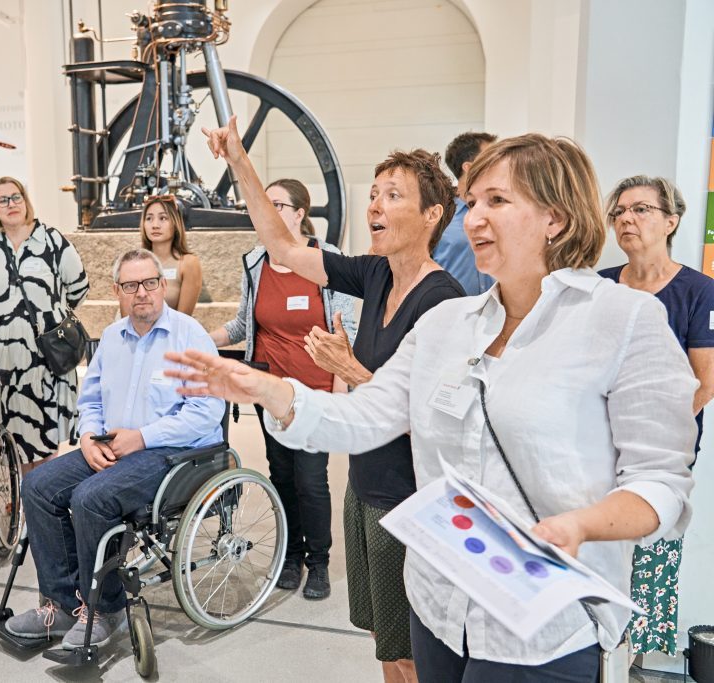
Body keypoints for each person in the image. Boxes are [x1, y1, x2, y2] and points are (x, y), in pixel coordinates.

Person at [168, 133, 696, 681]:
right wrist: (267, 389)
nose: (474, 220)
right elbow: (366, 415)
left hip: (545, 627)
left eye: (497, 201)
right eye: (473, 204)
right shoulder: (448, 324)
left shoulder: (624, 320)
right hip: (439, 603)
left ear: (555, 219)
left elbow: (660, 480)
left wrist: (580, 526)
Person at [203, 118, 462, 681]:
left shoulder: (444, 301)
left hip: (409, 496)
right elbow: (282, 247)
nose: (375, 205)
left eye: (394, 196)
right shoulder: (374, 273)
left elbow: (434, 422)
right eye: (374, 193)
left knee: (410, 651)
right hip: (365, 484)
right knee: (382, 640)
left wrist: (351, 371)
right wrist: (239, 162)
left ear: (432, 214)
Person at [4, 248, 224, 648]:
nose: (141, 292)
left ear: (163, 286)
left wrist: (142, 437)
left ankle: (106, 609)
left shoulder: (191, 336)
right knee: (37, 487)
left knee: (91, 497)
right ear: (117, 291)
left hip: (170, 453)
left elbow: (207, 414)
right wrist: (88, 438)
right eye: (130, 285)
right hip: (110, 446)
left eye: (150, 283)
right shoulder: (110, 337)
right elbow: (89, 402)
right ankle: (60, 604)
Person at [210, 176, 357, 601]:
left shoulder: (327, 260)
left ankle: (320, 563)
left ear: (299, 213)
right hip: (268, 393)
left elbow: (344, 330)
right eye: (263, 204)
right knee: (282, 476)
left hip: (314, 395)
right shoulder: (256, 262)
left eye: (277, 204)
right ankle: (291, 556)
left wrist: (338, 389)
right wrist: (199, 338)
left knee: (312, 480)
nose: (268, 211)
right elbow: (243, 324)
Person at [599, 175, 714, 658]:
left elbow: (704, 381)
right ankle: (597, 648)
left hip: (661, 453)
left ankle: (640, 658)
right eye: (619, 211)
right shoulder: (598, 286)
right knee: (600, 551)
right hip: (598, 446)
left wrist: (647, 431)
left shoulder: (698, 291)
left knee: (652, 555)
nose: (627, 218)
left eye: (641, 209)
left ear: (671, 221)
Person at [0, 176, 88, 468]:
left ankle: (38, 500)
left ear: (25, 200)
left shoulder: (52, 240)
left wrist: (49, 314)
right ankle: (15, 502)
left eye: (16, 197)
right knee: (9, 435)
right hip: (2, 363)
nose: (11, 205)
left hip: (45, 358)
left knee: (43, 432)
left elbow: (78, 287)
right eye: (3, 200)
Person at [434, 132, 497, 296]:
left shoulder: (502, 212)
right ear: (469, 167)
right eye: (491, 158)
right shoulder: (439, 217)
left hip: (496, 312)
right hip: (449, 312)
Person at [138, 195, 202, 315]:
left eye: (163, 218)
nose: (155, 225)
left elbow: (183, 320)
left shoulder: (188, 263)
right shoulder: (136, 263)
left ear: (175, 223)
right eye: (149, 218)